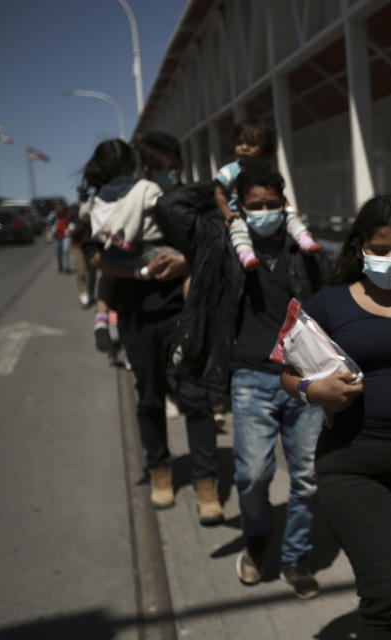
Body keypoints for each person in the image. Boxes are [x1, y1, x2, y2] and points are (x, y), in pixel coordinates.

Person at [279, 194, 391, 639]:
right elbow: (287, 372)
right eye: (381, 249)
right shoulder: (329, 303)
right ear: (360, 248)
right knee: (384, 592)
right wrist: (311, 389)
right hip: (351, 466)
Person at [83, 136, 223, 525]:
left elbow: (202, 240)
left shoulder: (163, 200)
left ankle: (206, 482)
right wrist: (138, 271)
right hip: (134, 317)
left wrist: (182, 263)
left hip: (178, 311)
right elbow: (93, 256)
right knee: (148, 396)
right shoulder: (96, 208)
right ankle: (160, 470)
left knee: (194, 397)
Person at [226, 167, 327, 598]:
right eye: (255, 205)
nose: (264, 212)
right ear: (240, 207)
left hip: (303, 373)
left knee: (305, 476)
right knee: (252, 475)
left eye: (272, 204)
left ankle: (295, 556)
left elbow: (327, 294)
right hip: (250, 373)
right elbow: (206, 300)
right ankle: (256, 540)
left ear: (284, 204)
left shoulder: (302, 246)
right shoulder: (227, 247)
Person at [214, 118, 321, 271]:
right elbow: (219, 193)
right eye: (239, 143)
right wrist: (227, 213)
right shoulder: (229, 171)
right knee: (238, 230)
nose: (243, 148)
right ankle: (246, 254)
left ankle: (305, 241)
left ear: (264, 150)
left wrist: (291, 211)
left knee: (292, 219)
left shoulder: (268, 172)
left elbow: (280, 196)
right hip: (238, 215)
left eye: (251, 144)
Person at [70, 192, 97, 308]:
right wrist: (71, 228)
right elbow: (69, 223)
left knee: (92, 272)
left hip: (93, 245)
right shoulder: (74, 210)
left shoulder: (95, 209)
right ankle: (83, 293)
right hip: (78, 245)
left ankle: (90, 293)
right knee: (80, 271)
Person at [52, 202, 72, 273]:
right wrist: (54, 216)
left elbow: (72, 222)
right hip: (57, 237)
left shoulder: (68, 214)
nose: (59, 209)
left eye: (60, 208)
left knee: (65, 251)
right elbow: (48, 223)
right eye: (57, 208)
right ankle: (60, 266)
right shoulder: (54, 215)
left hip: (66, 236)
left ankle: (66, 267)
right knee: (58, 253)